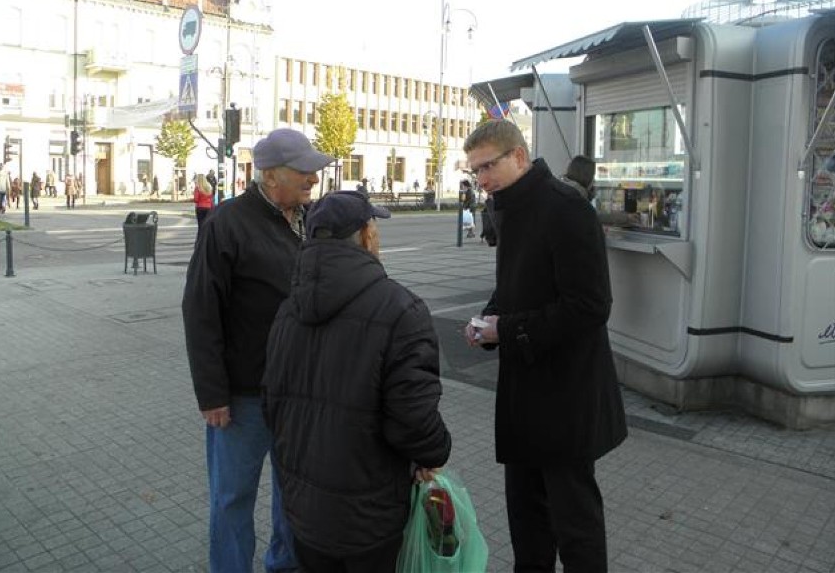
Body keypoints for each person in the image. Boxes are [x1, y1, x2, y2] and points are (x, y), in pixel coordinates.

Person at [462, 120, 627, 572]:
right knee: (527, 521)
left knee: (575, 526)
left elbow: (591, 307)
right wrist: (489, 318)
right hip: (524, 395)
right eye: (474, 170)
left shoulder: (566, 208)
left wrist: (508, 329)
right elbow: (519, 285)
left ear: (518, 156)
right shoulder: (507, 207)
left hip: (567, 397)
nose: (480, 180)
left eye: (487, 167)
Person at [262, 190, 451, 572]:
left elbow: (271, 404)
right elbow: (413, 418)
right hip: (370, 517)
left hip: (303, 512)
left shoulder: (287, 310)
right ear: (366, 236)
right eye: (374, 227)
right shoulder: (401, 310)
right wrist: (434, 452)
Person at [182, 127, 334, 573]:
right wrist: (212, 394)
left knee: (292, 495)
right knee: (232, 500)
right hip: (242, 397)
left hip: (295, 394)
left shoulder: (306, 219)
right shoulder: (227, 223)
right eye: (304, 171)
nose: (313, 179)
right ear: (270, 177)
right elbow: (200, 309)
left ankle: (283, 567)